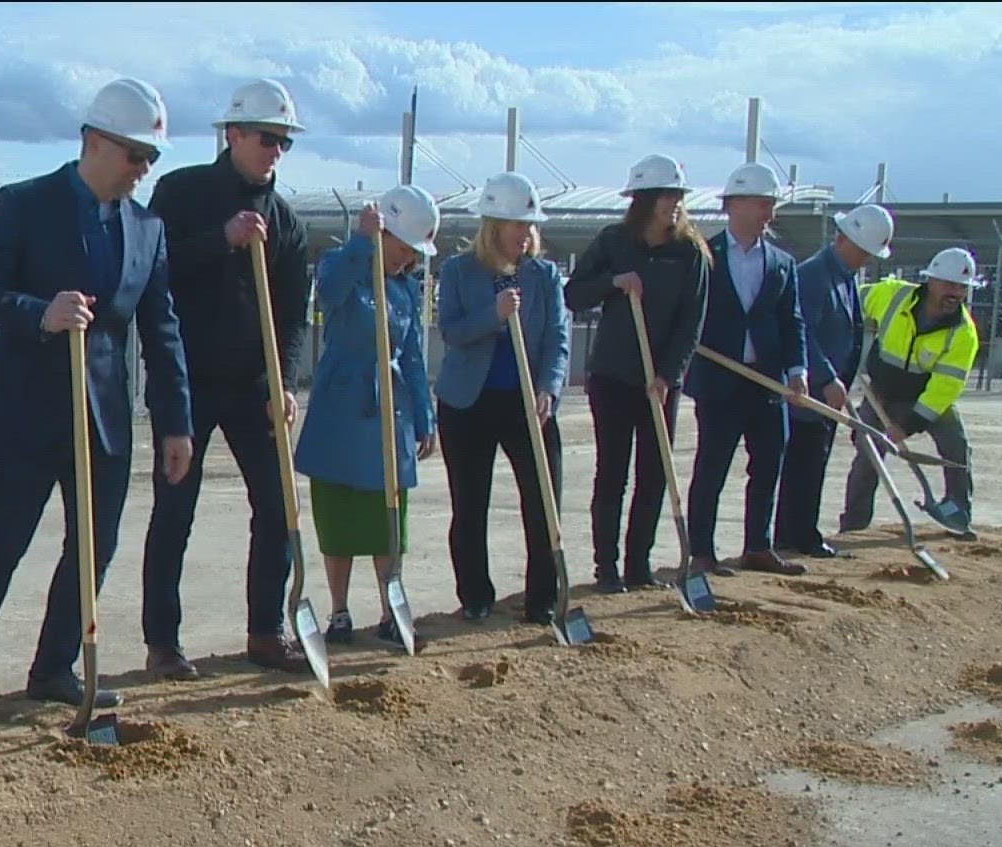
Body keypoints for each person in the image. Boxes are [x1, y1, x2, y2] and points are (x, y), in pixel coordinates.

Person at [0, 78, 195, 720]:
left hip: (101, 420)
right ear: (95, 142)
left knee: (93, 550)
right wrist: (38, 313)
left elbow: (160, 327)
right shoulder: (25, 203)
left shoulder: (148, 229)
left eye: (151, 159)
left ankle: (54, 668)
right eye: (135, 155)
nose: (143, 169)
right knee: (2, 545)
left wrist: (176, 423)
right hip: (22, 413)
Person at [139, 77, 312, 679]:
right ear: (232, 133)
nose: (276, 151)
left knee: (277, 504)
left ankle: (267, 630)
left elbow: (290, 317)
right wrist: (223, 240)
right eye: (267, 138)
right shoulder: (181, 192)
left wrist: (283, 382)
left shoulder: (287, 224)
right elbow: (153, 270)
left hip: (250, 386)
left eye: (284, 141)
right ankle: (163, 642)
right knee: (175, 509)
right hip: (184, 379)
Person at [294, 186, 438, 644]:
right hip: (342, 405)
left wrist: (424, 413)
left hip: (387, 410)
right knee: (339, 515)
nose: (408, 258)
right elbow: (328, 294)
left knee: (387, 515)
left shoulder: (406, 290)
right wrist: (361, 243)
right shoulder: (345, 267)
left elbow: (412, 354)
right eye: (403, 247)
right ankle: (338, 611)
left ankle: (390, 607)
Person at [564, 153, 711, 593]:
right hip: (612, 376)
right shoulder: (613, 242)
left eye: (678, 196)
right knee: (613, 471)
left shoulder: (691, 254)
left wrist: (668, 376)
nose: (674, 204)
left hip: (659, 383)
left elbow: (692, 323)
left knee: (653, 473)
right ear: (643, 200)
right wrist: (614, 281)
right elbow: (573, 294)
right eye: (665, 196)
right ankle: (605, 568)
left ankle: (638, 565)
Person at [433, 171, 571, 625]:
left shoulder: (545, 276)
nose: (526, 235)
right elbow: (452, 331)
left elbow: (557, 339)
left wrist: (549, 387)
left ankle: (542, 598)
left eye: (530, 226)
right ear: (493, 226)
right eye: (517, 225)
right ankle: (475, 595)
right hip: (467, 404)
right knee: (470, 504)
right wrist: (493, 315)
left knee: (542, 499)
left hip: (527, 404)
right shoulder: (457, 271)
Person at [682, 161, 809, 578]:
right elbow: (688, 316)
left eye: (771, 205)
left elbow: (792, 321)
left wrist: (797, 369)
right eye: (760, 204)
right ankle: (701, 552)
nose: (767, 213)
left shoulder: (782, 263)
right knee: (712, 467)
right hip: (719, 382)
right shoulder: (704, 256)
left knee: (769, 463)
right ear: (734, 205)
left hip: (767, 382)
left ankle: (758, 545)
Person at [838, 246, 984, 538]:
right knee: (868, 456)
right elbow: (847, 300)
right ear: (930, 281)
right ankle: (853, 525)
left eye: (961, 287)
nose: (954, 293)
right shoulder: (893, 296)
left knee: (956, 447)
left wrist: (908, 426)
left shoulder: (962, 334)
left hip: (925, 398)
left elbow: (944, 388)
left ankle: (958, 512)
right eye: (948, 284)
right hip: (880, 394)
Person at [776, 204, 894, 557]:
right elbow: (801, 332)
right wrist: (826, 376)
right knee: (802, 465)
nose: (865, 260)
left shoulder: (844, 276)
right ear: (842, 238)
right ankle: (793, 536)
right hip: (808, 393)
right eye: (862, 251)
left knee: (815, 464)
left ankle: (799, 532)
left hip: (830, 395)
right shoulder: (813, 276)